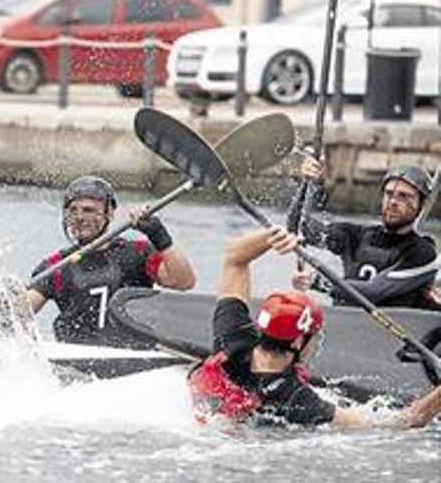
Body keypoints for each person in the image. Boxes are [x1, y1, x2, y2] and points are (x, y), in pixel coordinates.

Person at [187, 226, 441, 429]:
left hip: (201, 413)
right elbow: (404, 421)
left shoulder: (231, 337)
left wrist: (271, 236)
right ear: (298, 343)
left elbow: (234, 259)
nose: (317, 341)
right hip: (242, 433)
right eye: (314, 335)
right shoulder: (295, 398)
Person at [26, 176, 196, 347]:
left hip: (132, 357)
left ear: (110, 213)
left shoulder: (138, 252)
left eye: (89, 210)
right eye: (73, 210)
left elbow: (183, 281)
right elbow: (22, 310)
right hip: (76, 360)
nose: (80, 217)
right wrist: (2, 297)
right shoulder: (55, 265)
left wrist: (160, 237)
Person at [291, 158, 439, 310]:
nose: (393, 202)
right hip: (348, 324)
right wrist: (306, 183)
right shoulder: (355, 236)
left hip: (393, 329)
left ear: (422, 204)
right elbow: (299, 228)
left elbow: (373, 292)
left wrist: (318, 282)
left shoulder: (422, 253)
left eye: (404, 196)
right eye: (389, 194)